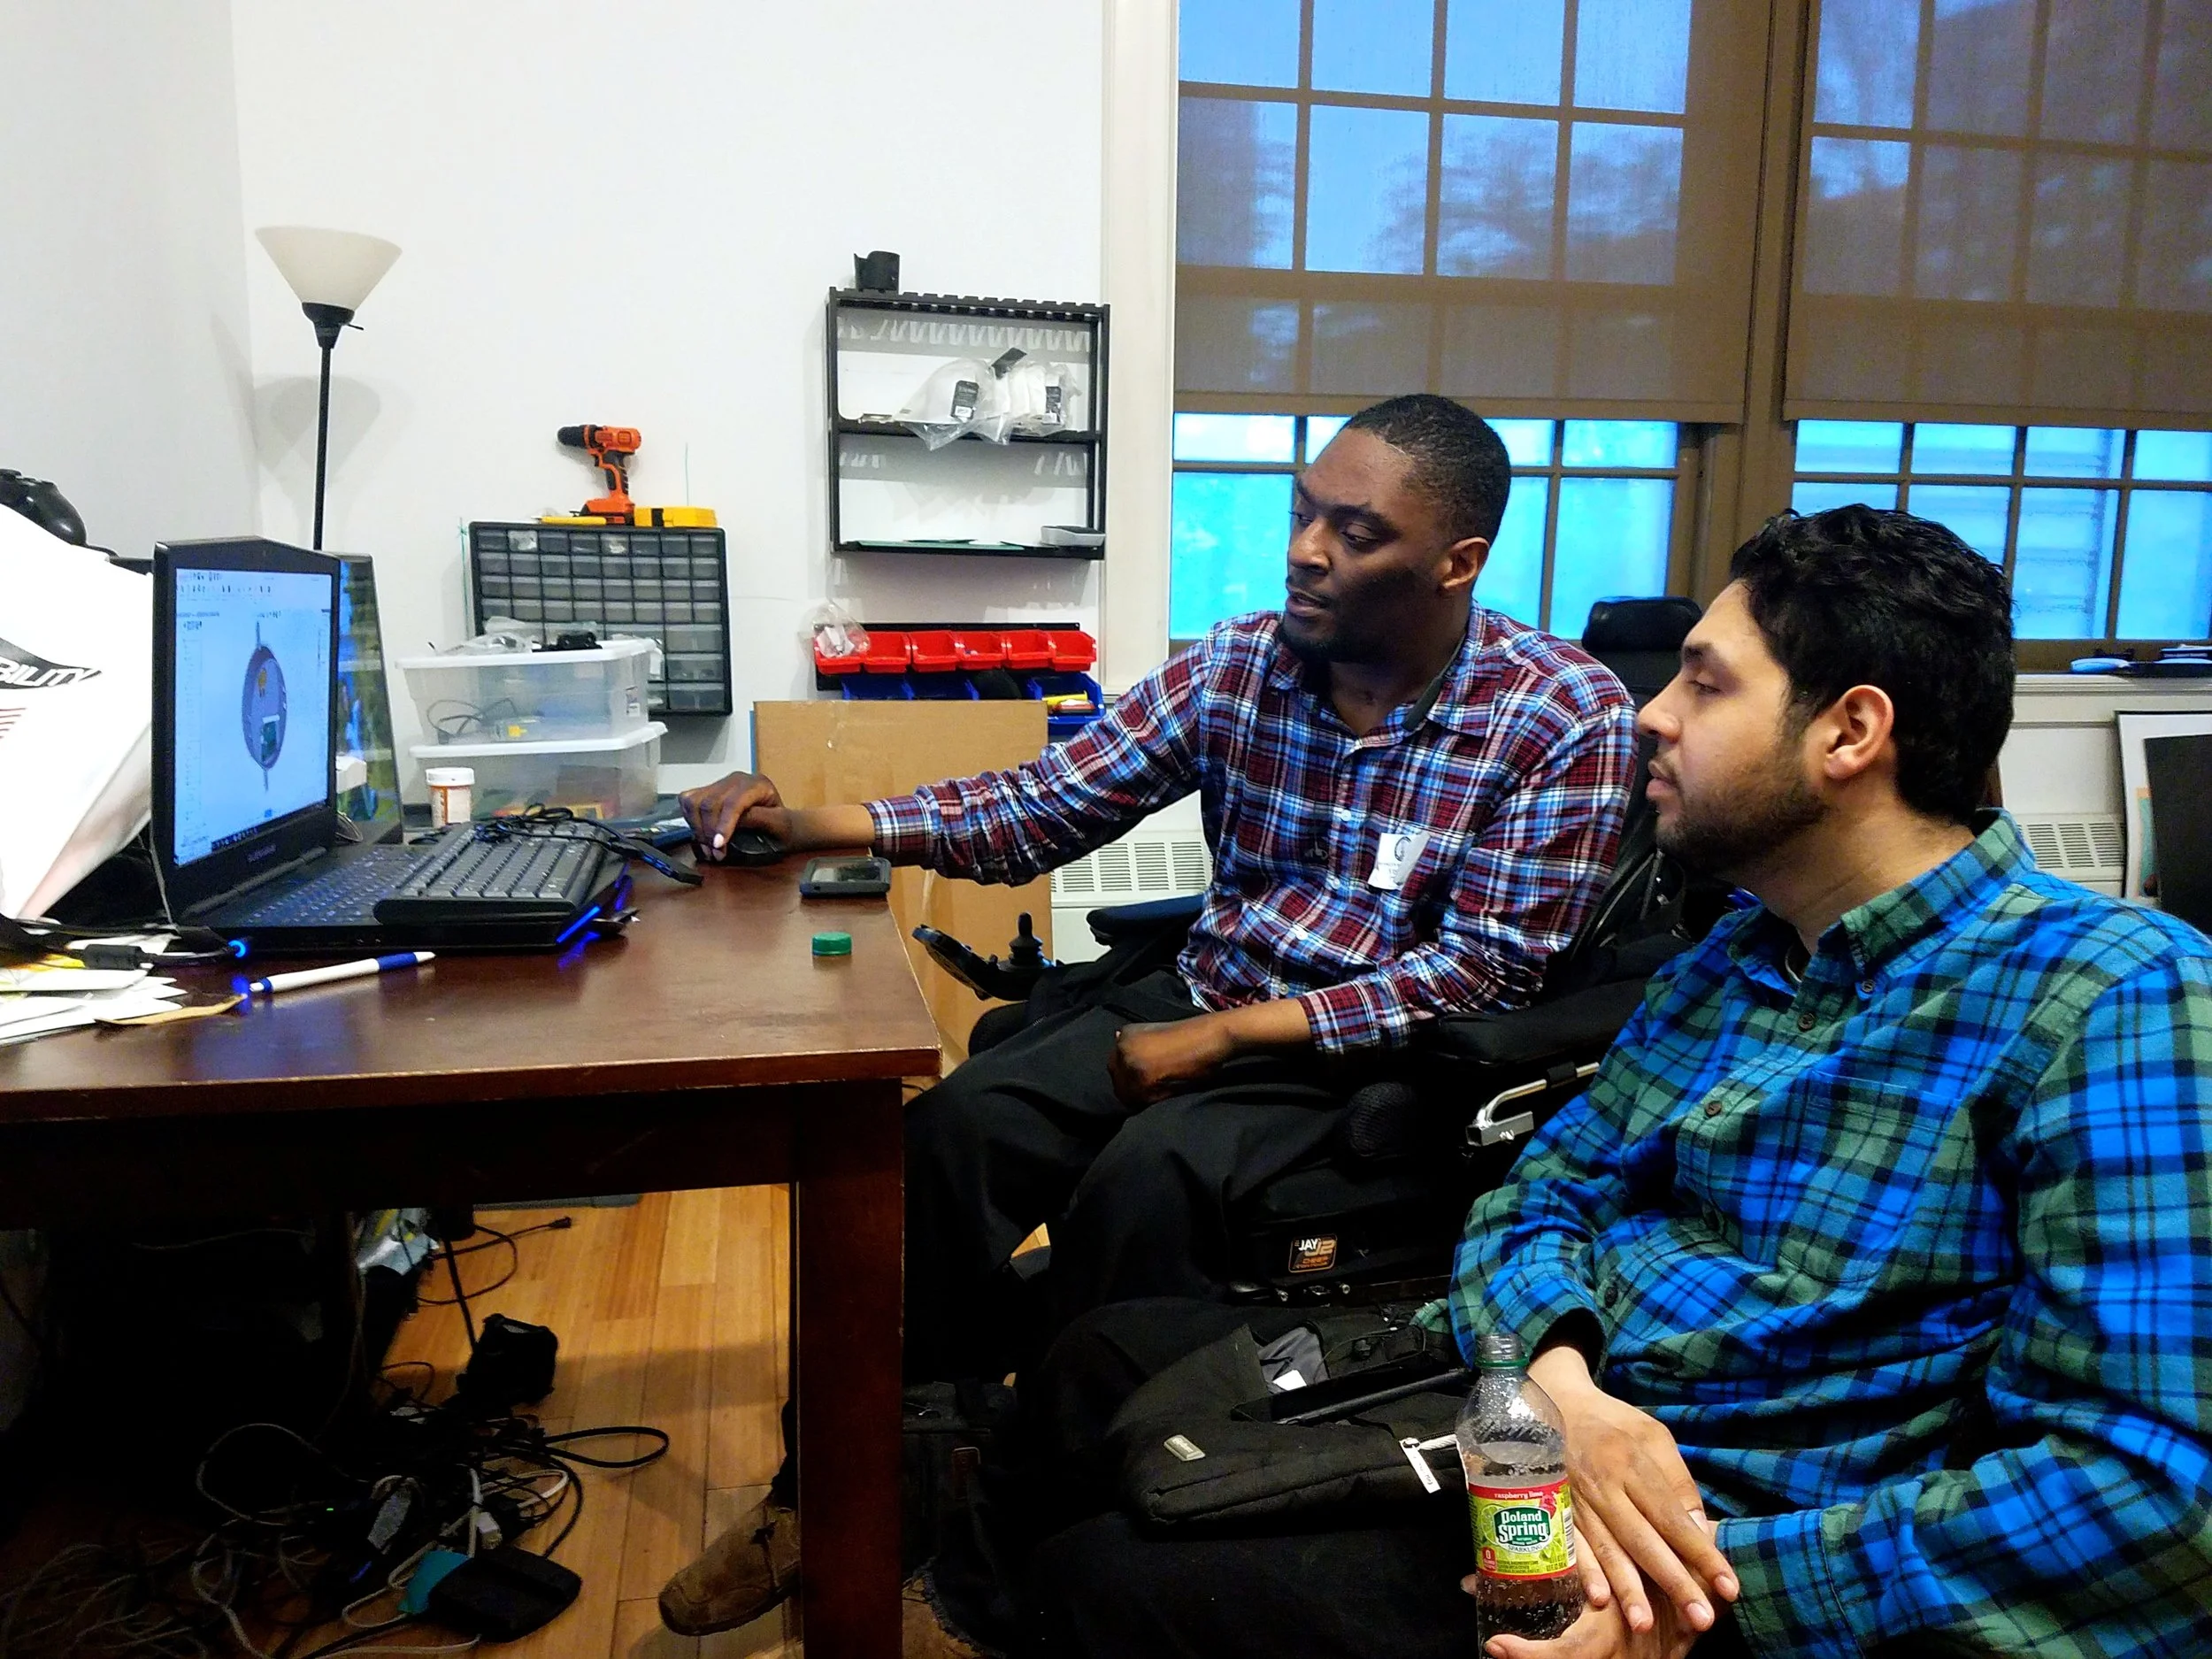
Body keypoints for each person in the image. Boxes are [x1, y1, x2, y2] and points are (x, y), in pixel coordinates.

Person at [994, 505, 2212, 1659]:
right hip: (1549, 1417)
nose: (1650, 716)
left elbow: (2154, 1495)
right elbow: (1541, 1192)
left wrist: (1710, 1586)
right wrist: (1557, 1385)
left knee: (1114, 1580)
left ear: (1850, 732)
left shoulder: (2116, 999)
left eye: (1705, 681)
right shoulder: (1741, 952)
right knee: (1092, 1365)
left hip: (1727, 1531)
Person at [659, 395, 1638, 1639]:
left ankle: (1031, 1528)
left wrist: (1229, 1040)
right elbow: (1045, 802)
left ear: (1457, 563)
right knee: (948, 1137)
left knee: (1141, 1186)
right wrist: (820, 820)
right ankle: (843, 1488)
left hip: (1368, 1056)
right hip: (1208, 985)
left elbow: (1484, 972)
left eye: (1355, 531)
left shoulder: (1562, 717)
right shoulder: (1245, 663)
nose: (1306, 549)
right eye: (1302, 511)